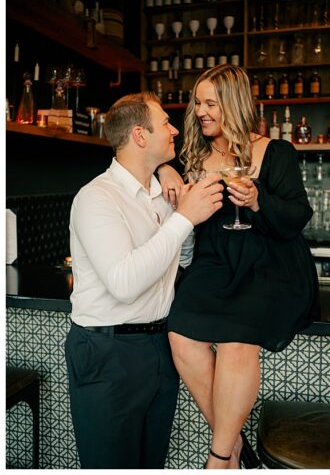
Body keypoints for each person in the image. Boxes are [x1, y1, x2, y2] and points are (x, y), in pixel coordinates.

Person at [160, 64, 318, 469]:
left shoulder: (274, 151)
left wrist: (256, 201)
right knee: (180, 333)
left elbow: (299, 214)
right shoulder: (192, 157)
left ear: (233, 103)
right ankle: (235, 449)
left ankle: (218, 459)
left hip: (270, 262)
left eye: (210, 103)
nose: (200, 111)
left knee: (235, 339)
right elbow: (151, 162)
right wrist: (164, 169)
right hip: (215, 262)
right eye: (198, 102)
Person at [65, 93, 224, 469]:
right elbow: (123, 282)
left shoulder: (160, 194)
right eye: (165, 123)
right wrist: (184, 219)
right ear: (139, 135)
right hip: (108, 353)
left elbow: (178, 260)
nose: (175, 130)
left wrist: (180, 221)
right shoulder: (96, 198)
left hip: (159, 347)